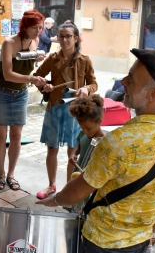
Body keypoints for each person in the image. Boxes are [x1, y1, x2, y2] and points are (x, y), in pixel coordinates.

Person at [37, 48, 155, 253]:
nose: (123, 82)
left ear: (153, 94)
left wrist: (56, 200)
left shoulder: (117, 141)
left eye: (131, 79)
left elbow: (76, 192)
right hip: (141, 240)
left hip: (101, 240)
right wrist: (142, 208)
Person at [33, 21, 98, 199]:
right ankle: (51, 185)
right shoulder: (53, 59)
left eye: (68, 36)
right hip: (55, 109)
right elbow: (37, 77)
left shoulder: (85, 61)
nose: (64, 40)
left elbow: (94, 83)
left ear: (76, 38)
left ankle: (69, 188)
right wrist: (44, 86)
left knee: (72, 152)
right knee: (52, 149)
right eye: (61, 36)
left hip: (75, 112)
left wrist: (86, 90)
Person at [0, 9, 47, 191]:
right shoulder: (9, 43)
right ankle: (0, 173)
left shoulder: (35, 41)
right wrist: (31, 79)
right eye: (35, 27)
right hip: (1, 91)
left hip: (20, 93)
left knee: (17, 136)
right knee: (1, 136)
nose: (38, 31)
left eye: (40, 27)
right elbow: (7, 74)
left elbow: (26, 66)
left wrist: (37, 59)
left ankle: (11, 175)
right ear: (25, 26)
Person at [66, 94, 105, 215]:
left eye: (89, 128)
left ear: (99, 121)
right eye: (82, 128)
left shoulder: (105, 142)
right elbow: (78, 145)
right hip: (77, 179)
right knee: (74, 211)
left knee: (86, 212)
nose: (86, 131)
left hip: (90, 185)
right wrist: (73, 154)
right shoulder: (84, 134)